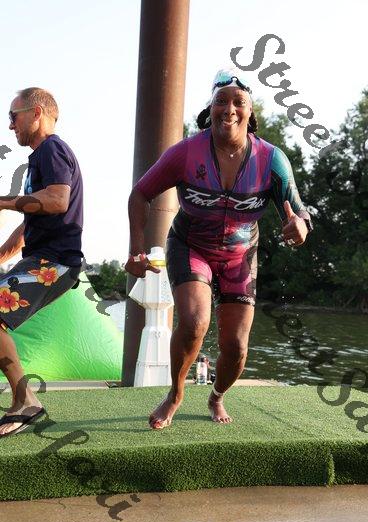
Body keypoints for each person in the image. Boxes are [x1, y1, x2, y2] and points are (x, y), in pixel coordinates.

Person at [125, 68, 312, 429]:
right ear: (210, 109)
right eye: (221, 101)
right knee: (195, 322)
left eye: (238, 102)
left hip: (240, 255)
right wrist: (136, 249)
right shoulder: (185, 153)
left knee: (237, 346)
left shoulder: (272, 159)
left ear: (250, 112)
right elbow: (140, 194)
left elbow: (299, 210)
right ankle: (175, 394)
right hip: (190, 245)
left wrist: (301, 225)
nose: (229, 109)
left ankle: (216, 396)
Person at [0, 87, 84, 437]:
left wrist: (3, 201)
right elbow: (29, 225)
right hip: (45, 260)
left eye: (13, 116)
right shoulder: (40, 158)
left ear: (36, 113)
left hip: (56, 262)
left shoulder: (51, 148)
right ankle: (23, 399)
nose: (10, 125)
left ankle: (26, 402)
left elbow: (57, 200)